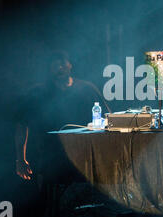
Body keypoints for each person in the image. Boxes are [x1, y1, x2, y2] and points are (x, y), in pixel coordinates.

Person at [15, 50, 110, 183]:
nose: (59, 68)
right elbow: (22, 125)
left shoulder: (87, 89)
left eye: (62, 63)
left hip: (84, 162)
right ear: (49, 69)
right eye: (55, 65)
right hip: (51, 164)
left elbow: (107, 119)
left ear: (70, 65)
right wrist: (21, 159)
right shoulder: (38, 93)